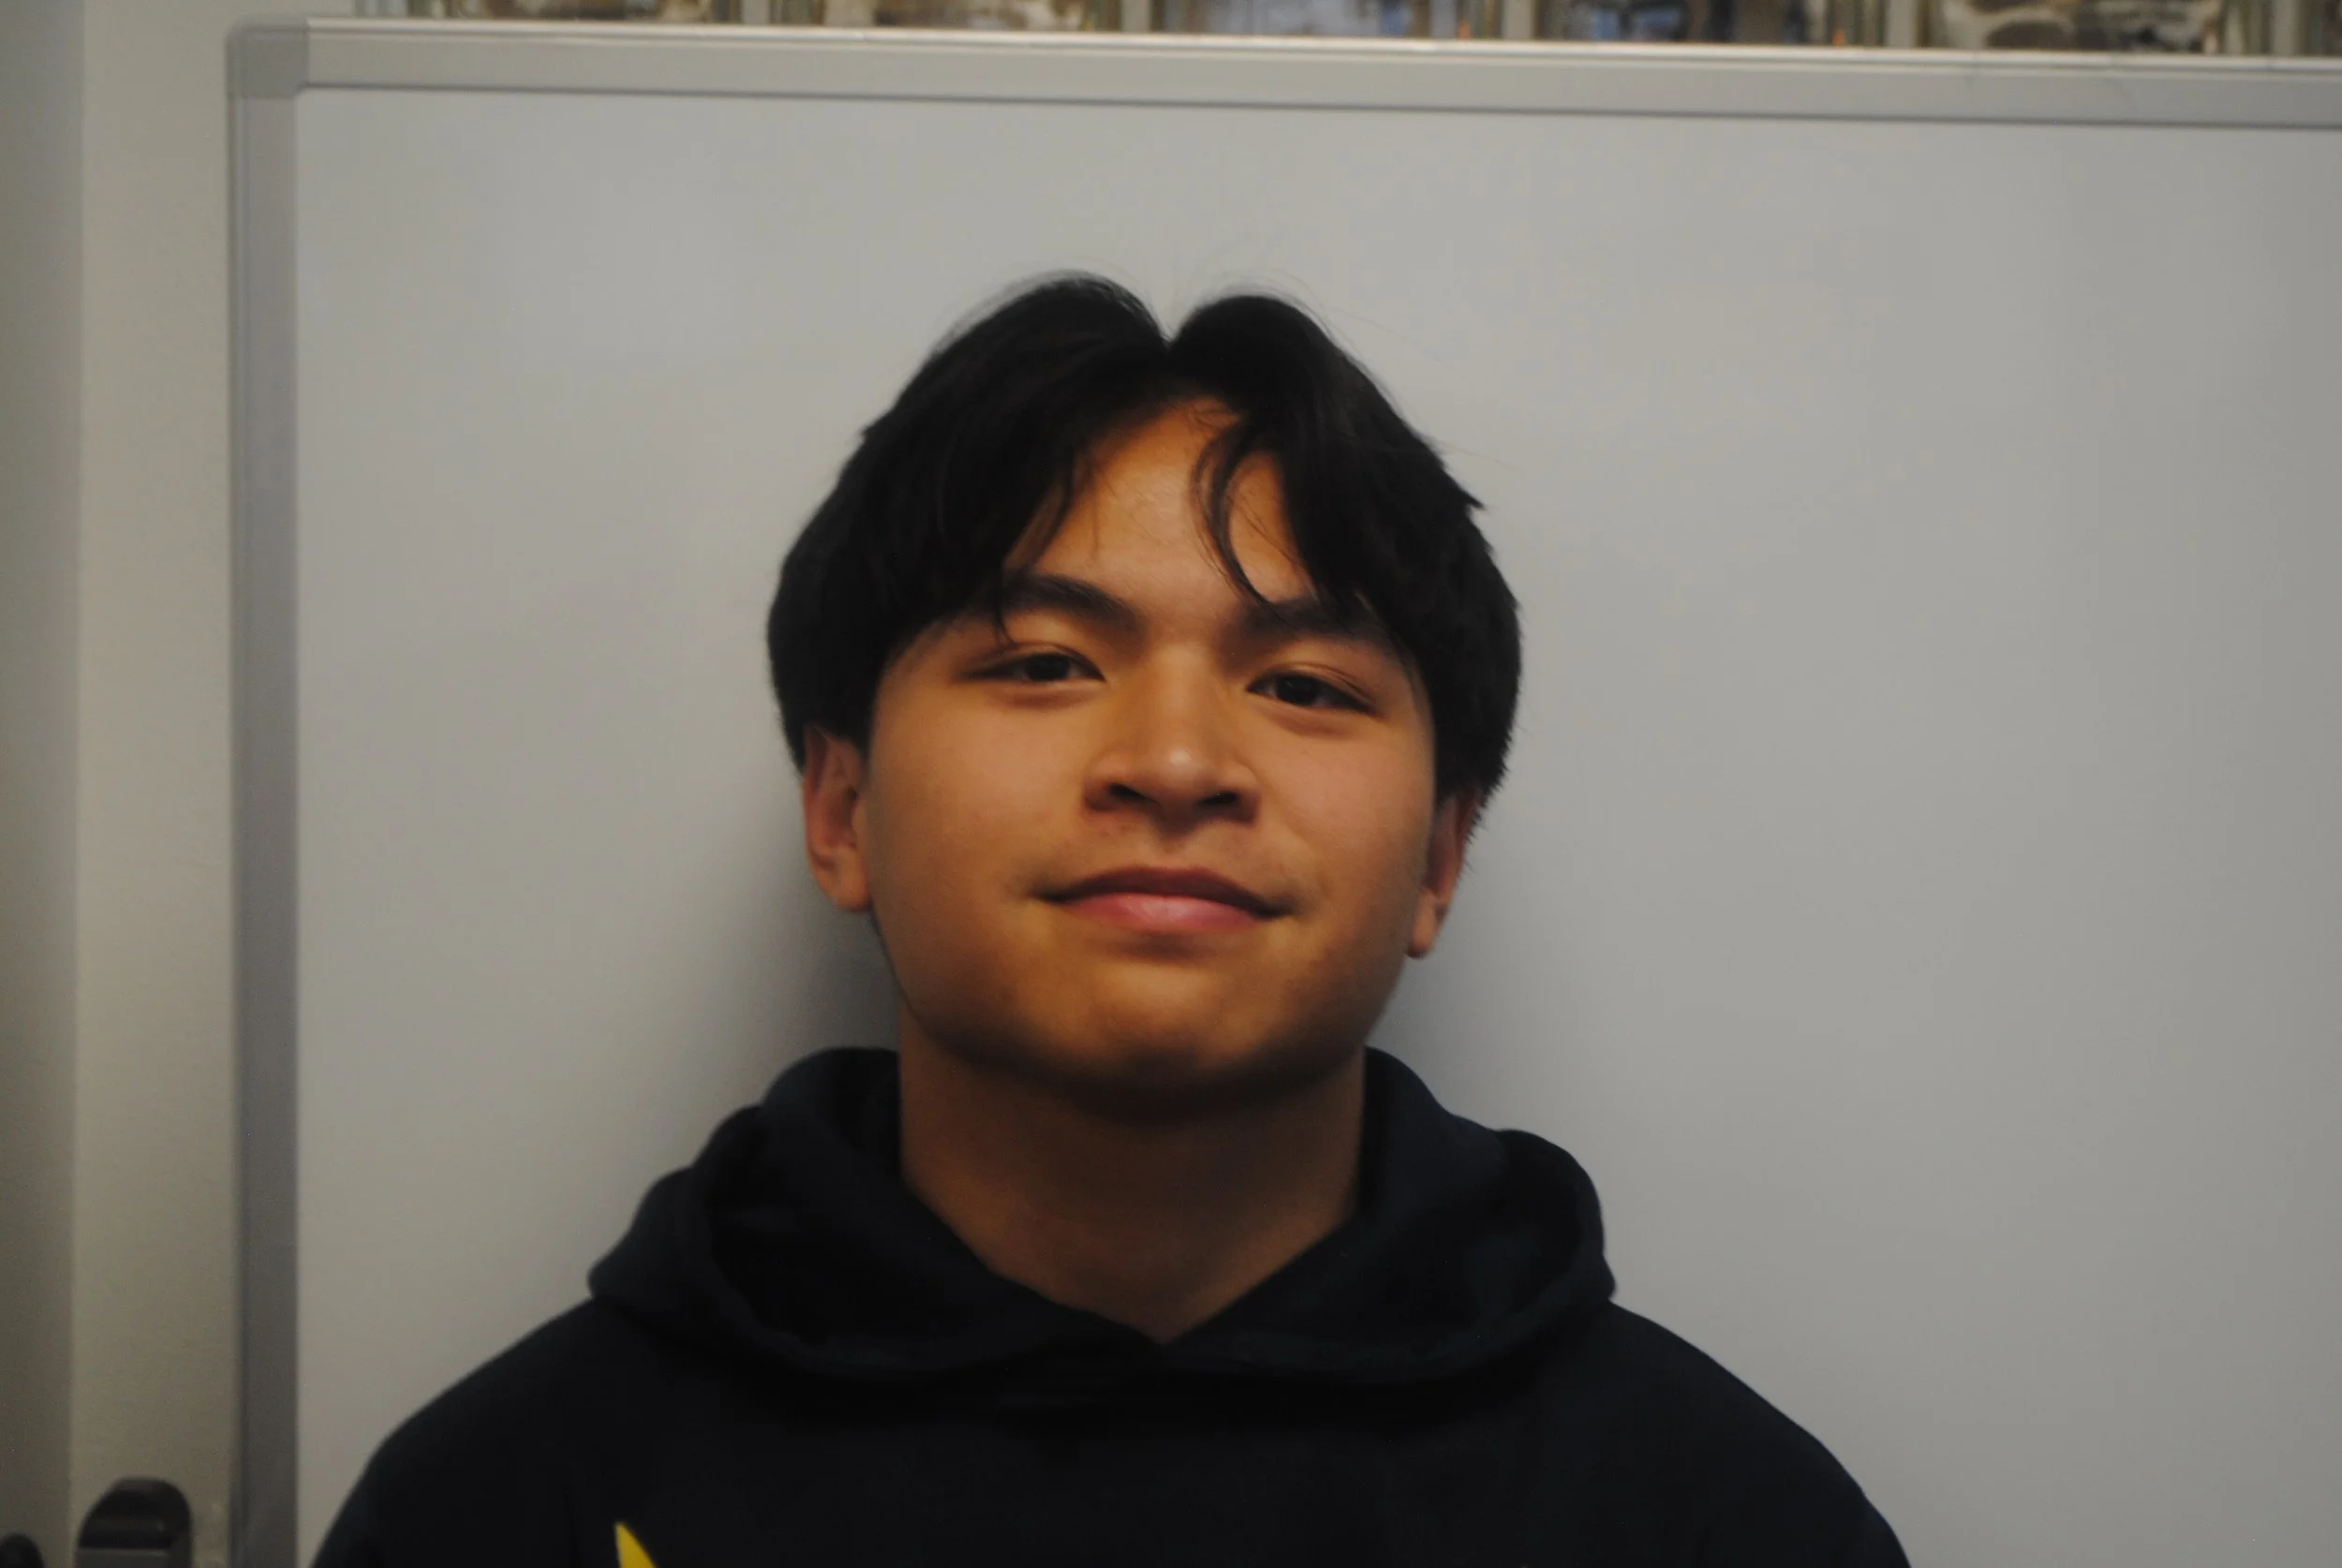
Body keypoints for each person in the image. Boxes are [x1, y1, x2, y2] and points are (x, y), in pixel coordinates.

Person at [315, 275, 1907, 1567]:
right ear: (841, 806)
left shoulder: (1723, 1520)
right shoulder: (504, 1503)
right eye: (1044, 663)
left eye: (1301, 684)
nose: (1173, 761)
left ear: (1439, 857)